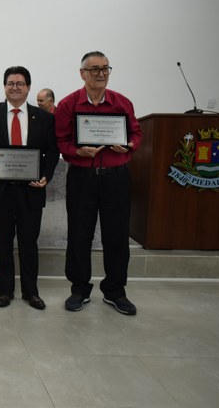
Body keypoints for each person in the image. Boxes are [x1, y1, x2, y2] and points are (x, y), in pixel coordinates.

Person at [55, 51, 141, 315]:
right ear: (82, 73)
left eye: (105, 68)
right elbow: (60, 140)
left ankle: (115, 291)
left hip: (116, 178)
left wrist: (129, 144)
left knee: (117, 236)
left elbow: (136, 133)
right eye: (94, 69)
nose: (101, 74)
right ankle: (79, 289)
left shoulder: (122, 103)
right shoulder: (68, 104)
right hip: (82, 178)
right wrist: (77, 151)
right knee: (79, 234)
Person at [0, 66, 59, 310]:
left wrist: (45, 176)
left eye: (20, 83)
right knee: (4, 242)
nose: (15, 87)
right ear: (4, 87)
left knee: (29, 243)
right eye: (10, 83)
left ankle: (31, 292)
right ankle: (5, 291)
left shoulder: (44, 118)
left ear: (28, 87)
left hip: (32, 189)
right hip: (0, 190)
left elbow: (52, 151)